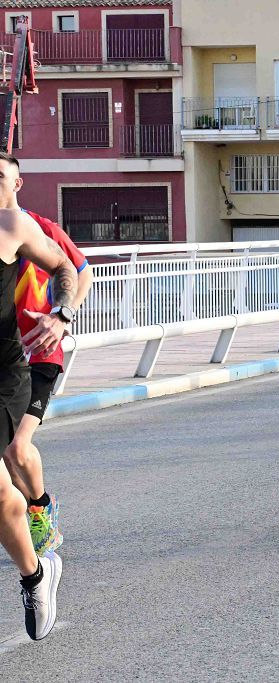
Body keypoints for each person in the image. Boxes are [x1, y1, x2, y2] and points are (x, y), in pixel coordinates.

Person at [0, 153, 83, 641]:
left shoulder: (17, 225)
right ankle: (37, 571)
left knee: (17, 452)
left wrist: (62, 314)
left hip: (18, 361)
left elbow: (70, 269)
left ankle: (35, 558)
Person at [6, 207, 92, 557]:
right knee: (7, 461)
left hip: (40, 352)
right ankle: (26, 512)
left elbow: (82, 273)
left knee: (17, 448)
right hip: (5, 357)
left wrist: (62, 317)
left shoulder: (39, 228)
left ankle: (41, 508)